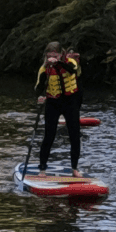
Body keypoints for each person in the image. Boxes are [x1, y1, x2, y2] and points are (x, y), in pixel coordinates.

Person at [34, 42, 82, 174]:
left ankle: (74, 168)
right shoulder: (44, 69)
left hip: (70, 102)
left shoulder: (70, 62)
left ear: (61, 54)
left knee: (74, 135)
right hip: (53, 103)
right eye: (49, 55)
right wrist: (40, 96)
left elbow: (72, 70)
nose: (51, 58)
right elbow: (38, 88)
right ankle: (42, 168)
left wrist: (57, 63)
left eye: (55, 55)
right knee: (49, 135)